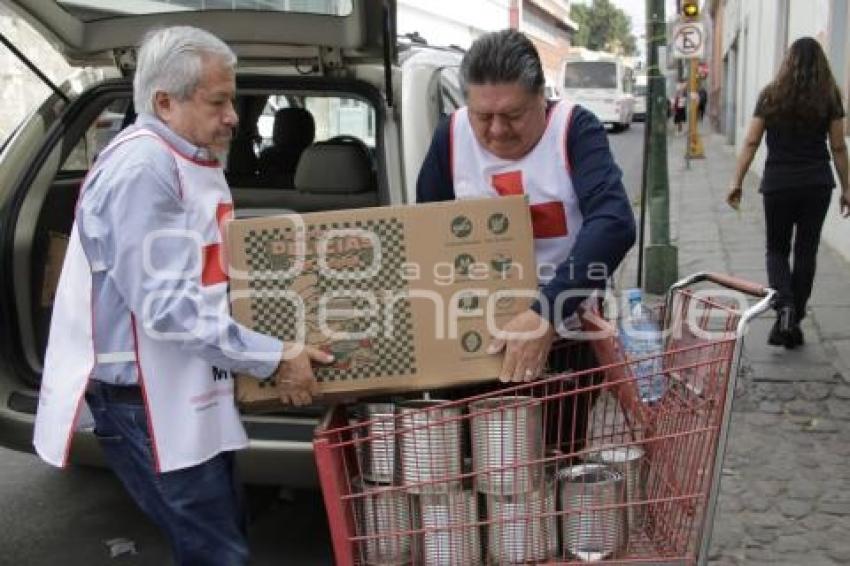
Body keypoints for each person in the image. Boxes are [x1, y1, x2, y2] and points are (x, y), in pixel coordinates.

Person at [33, 26, 332, 565]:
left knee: (220, 534)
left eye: (232, 100)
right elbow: (169, 307)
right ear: (164, 102)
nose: (234, 117)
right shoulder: (143, 169)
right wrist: (273, 357)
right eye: (218, 101)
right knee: (217, 551)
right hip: (145, 402)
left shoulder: (186, 157)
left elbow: (209, 276)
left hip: (182, 385)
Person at [417, 29, 635, 383]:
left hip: (566, 329)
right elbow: (427, 232)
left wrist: (545, 311)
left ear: (541, 98)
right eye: (483, 117)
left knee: (560, 438)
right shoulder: (451, 136)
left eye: (513, 115)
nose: (498, 130)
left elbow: (614, 222)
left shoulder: (574, 129)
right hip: (479, 339)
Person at [727, 37, 850, 348]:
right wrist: (847, 188)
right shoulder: (830, 96)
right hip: (817, 184)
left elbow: (752, 142)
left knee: (776, 250)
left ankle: (784, 308)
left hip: (779, 184)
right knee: (806, 251)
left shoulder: (771, 95)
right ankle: (793, 320)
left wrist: (737, 181)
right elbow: (838, 146)